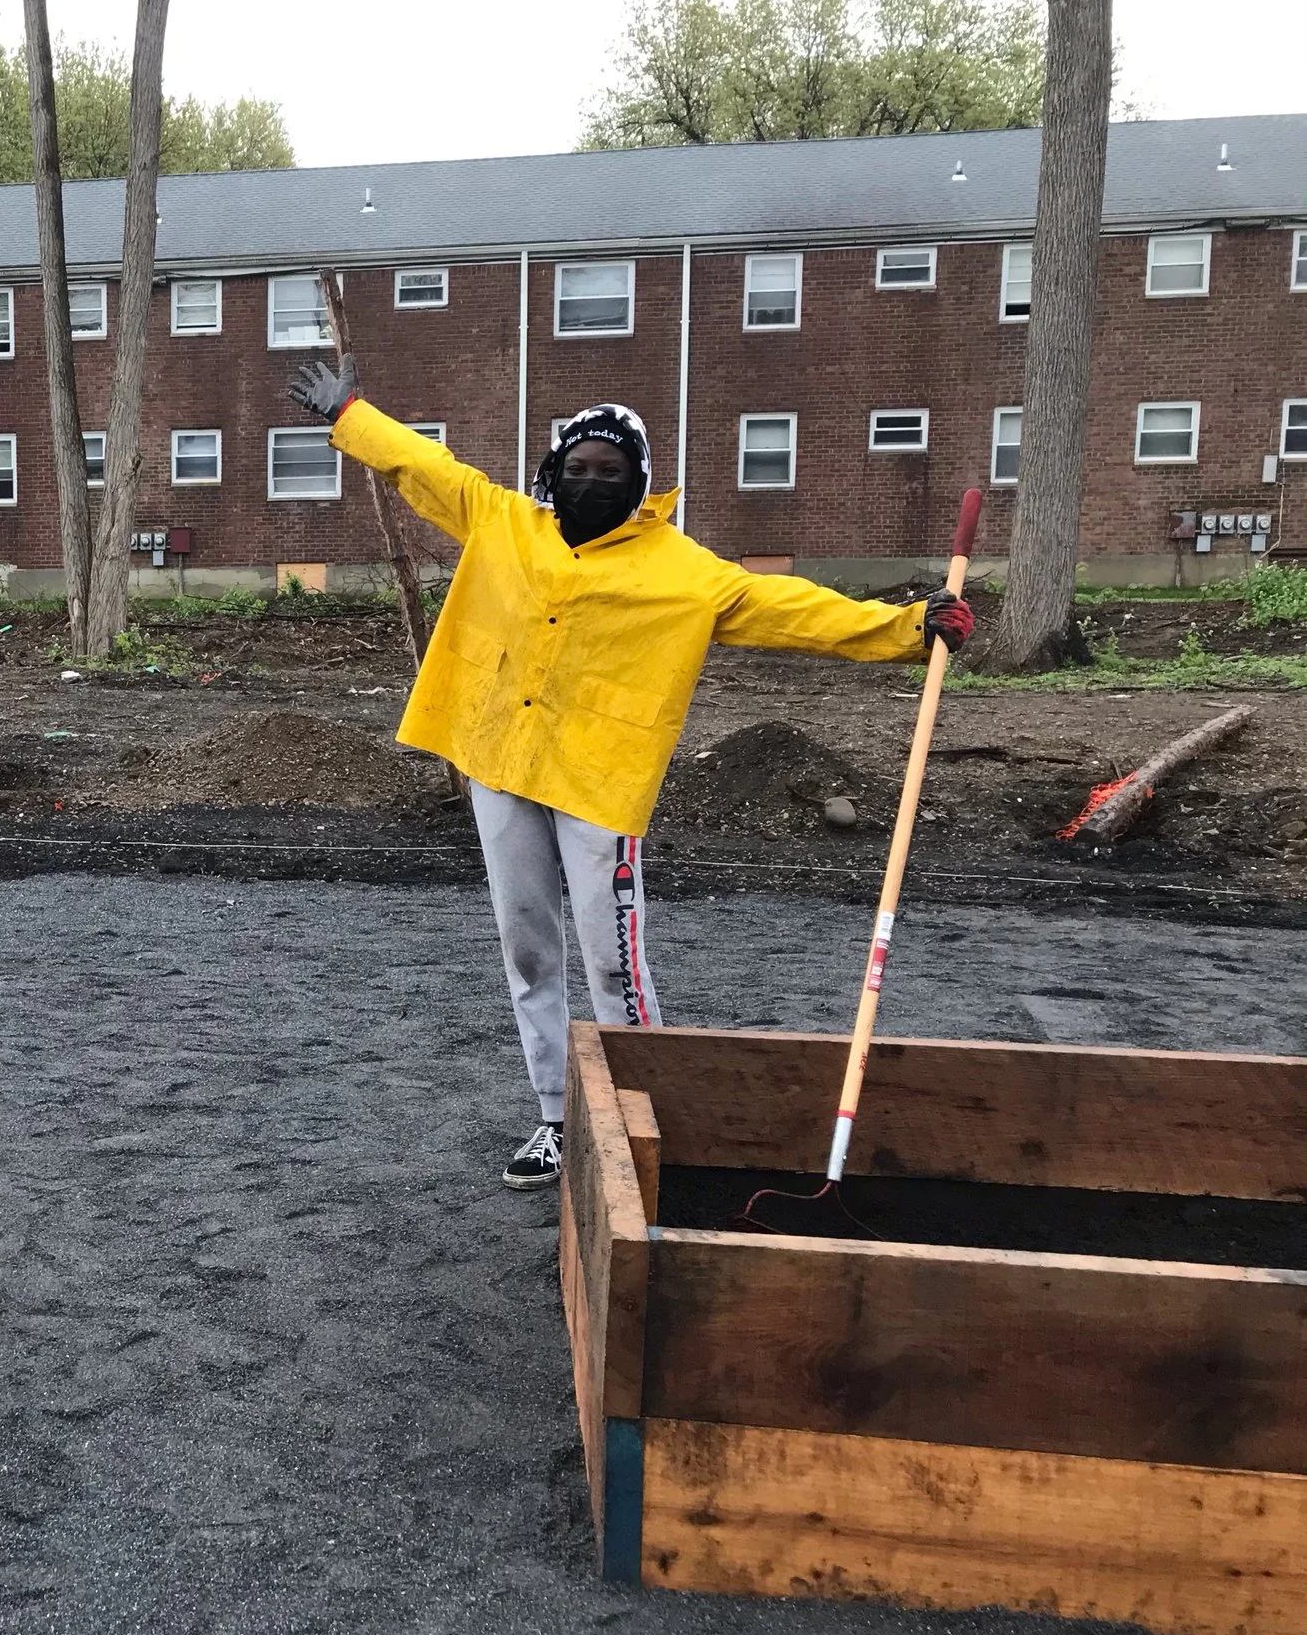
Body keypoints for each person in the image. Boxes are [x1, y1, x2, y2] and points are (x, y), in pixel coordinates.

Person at [287, 359, 971, 1190]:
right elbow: (426, 467)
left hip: (598, 784)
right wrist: (351, 414)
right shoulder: (506, 523)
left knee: (613, 960)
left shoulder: (683, 571)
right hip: (501, 763)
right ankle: (556, 1116)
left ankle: (646, 1110)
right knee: (527, 948)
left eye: (609, 472)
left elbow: (795, 610)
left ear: (639, 481)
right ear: (554, 470)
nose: (590, 482)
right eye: (577, 468)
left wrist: (908, 627)